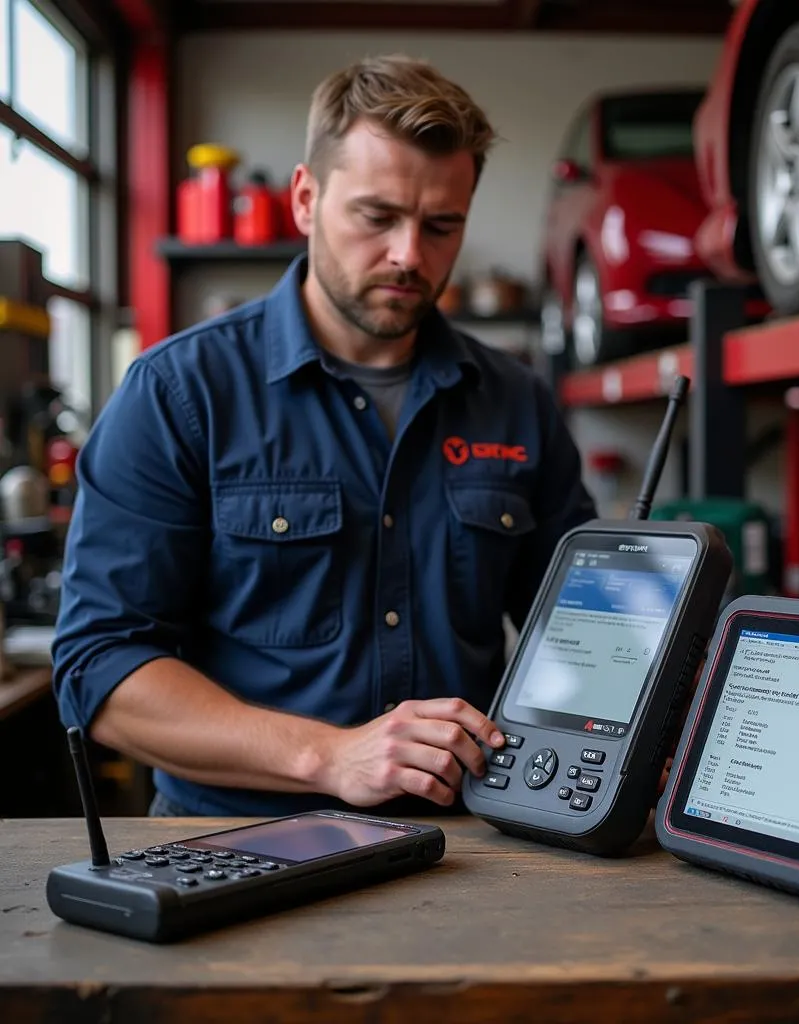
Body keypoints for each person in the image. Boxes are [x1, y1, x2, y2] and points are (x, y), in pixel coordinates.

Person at [52, 55, 596, 818]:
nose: (410, 254)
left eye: (442, 225)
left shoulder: (516, 404)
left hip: (468, 851)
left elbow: (581, 634)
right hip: (236, 847)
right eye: (377, 217)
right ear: (306, 199)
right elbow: (98, 671)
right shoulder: (180, 394)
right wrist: (330, 756)